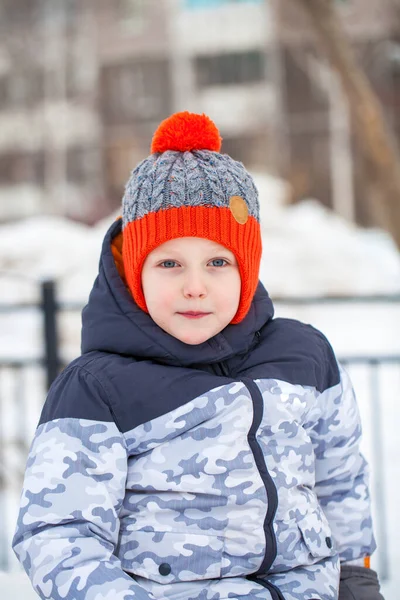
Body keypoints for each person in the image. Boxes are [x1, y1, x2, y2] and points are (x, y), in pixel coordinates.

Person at [12, 112, 384, 600]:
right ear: (134, 271)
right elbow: (59, 536)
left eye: (217, 262)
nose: (194, 286)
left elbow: (339, 478)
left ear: (246, 269)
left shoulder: (303, 356)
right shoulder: (99, 388)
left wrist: (355, 579)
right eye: (169, 263)